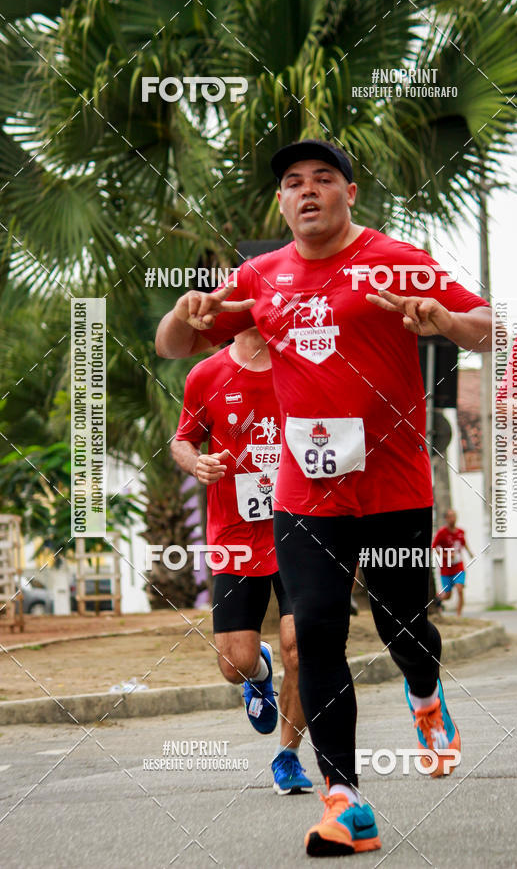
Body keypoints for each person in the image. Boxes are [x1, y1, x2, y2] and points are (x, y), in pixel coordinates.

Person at [157, 139, 493, 856]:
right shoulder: (262, 275)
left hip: (394, 485)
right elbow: (172, 348)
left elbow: (494, 331)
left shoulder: (396, 258)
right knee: (315, 635)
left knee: (405, 624)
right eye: (292, 183)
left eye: (322, 179)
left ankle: (426, 695)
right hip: (305, 496)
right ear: (280, 202)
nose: (306, 191)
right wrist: (186, 312)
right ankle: (345, 799)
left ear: (349, 191)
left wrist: (443, 320)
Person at [170, 325, 313, 795]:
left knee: (301, 646)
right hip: (235, 535)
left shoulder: (305, 365)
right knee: (234, 664)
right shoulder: (207, 374)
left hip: (300, 526)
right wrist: (197, 463)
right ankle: (258, 673)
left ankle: (288, 756)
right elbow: (183, 439)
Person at [433, 509, 474, 617]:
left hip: (458, 567)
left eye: (454, 516)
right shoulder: (442, 533)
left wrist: (470, 553)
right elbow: (433, 547)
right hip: (446, 569)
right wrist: (447, 555)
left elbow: (464, 543)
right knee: (448, 595)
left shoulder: (461, 532)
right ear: (446, 519)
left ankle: (459, 615)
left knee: (460, 589)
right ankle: (437, 599)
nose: (453, 519)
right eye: (450, 516)